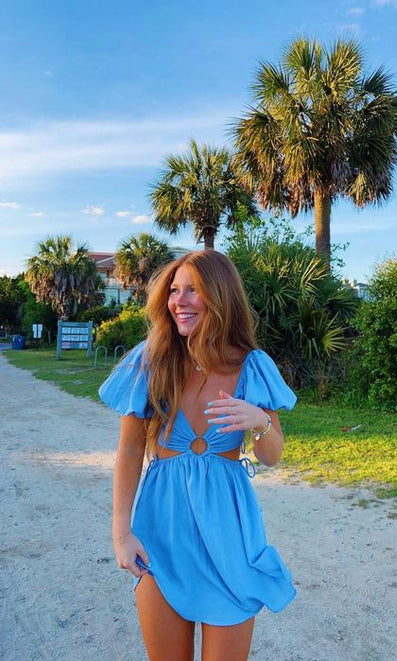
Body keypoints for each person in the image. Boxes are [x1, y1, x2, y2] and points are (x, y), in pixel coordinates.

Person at [99, 249, 297, 661]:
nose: (179, 301)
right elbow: (130, 449)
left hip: (230, 537)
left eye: (193, 290)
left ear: (221, 296)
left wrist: (259, 421)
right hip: (161, 535)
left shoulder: (253, 366)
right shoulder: (151, 361)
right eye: (174, 291)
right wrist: (121, 534)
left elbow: (273, 455)